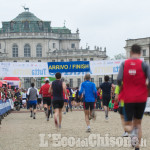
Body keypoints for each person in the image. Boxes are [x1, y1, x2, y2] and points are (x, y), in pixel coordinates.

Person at [117, 44, 150, 150]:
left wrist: (121, 88)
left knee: (128, 124)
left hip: (128, 97)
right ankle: (137, 146)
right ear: (140, 53)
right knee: (138, 123)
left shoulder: (124, 64)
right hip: (141, 97)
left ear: (130, 53)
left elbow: (119, 79)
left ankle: (131, 131)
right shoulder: (144, 65)